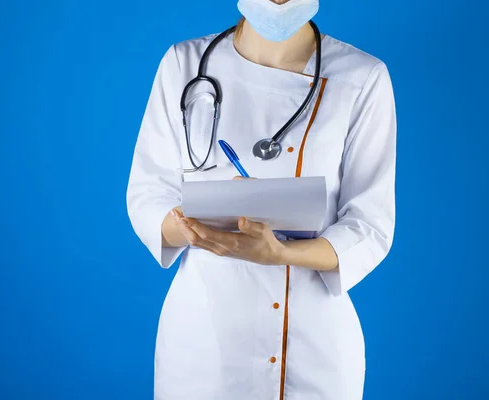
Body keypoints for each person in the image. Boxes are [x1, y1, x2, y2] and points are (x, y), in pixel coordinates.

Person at [126, 0, 396, 398]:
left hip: (312, 345)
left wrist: (280, 254)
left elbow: (369, 226)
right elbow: (148, 194)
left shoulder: (362, 77)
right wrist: (192, 225)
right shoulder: (184, 64)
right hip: (203, 342)